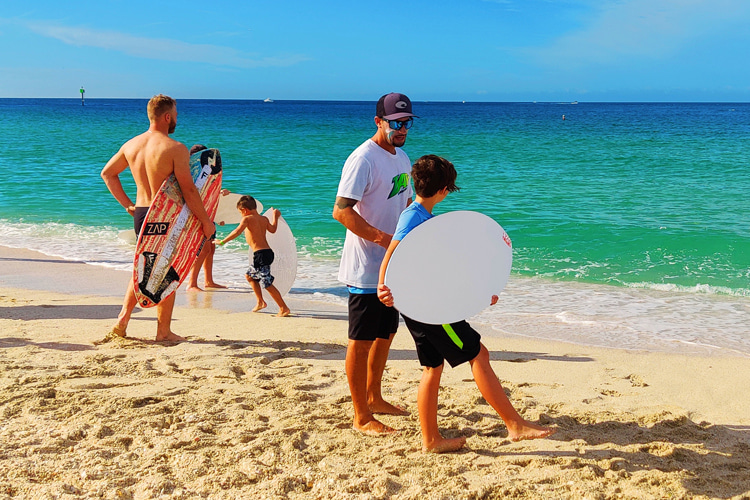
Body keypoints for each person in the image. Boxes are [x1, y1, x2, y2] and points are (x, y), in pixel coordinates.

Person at [377, 155, 556, 453]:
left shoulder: (420, 216)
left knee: (432, 367)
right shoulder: (414, 217)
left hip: (425, 304)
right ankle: (515, 425)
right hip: (431, 309)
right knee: (478, 354)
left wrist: (482, 292)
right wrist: (384, 288)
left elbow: (443, 270)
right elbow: (392, 254)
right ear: (444, 190)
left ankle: (431, 440)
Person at [332, 92, 416, 436]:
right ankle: (361, 416)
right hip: (366, 267)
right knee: (362, 340)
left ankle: (375, 397)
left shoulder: (402, 157)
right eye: (396, 123)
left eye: (407, 123)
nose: (402, 129)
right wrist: (384, 240)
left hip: (393, 267)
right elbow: (341, 211)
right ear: (378, 121)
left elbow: (407, 205)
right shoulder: (362, 159)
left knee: (387, 334)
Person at [101, 94, 215, 342]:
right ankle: (163, 331)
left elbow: (107, 174)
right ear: (167, 116)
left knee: (143, 266)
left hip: (142, 213)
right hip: (166, 215)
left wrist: (128, 205)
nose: (176, 118)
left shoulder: (131, 145)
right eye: (175, 114)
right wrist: (206, 221)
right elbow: (189, 190)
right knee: (167, 270)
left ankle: (122, 321)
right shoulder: (174, 148)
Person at [216, 195, 290, 317]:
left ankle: (284, 308)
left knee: (267, 283)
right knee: (250, 276)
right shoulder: (264, 219)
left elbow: (237, 231)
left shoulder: (247, 219)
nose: (241, 215)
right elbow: (273, 230)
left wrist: (223, 241)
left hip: (260, 255)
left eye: (240, 212)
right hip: (266, 253)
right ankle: (260, 302)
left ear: (244, 210)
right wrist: (275, 217)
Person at [186, 144, 226, 292]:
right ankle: (192, 283)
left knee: (211, 248)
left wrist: (220, 193)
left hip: (209, 214)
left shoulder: (206, 172)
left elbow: (206, 192)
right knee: (203, 250)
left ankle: (208, 281)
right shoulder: (189, 172)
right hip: (198, 216)